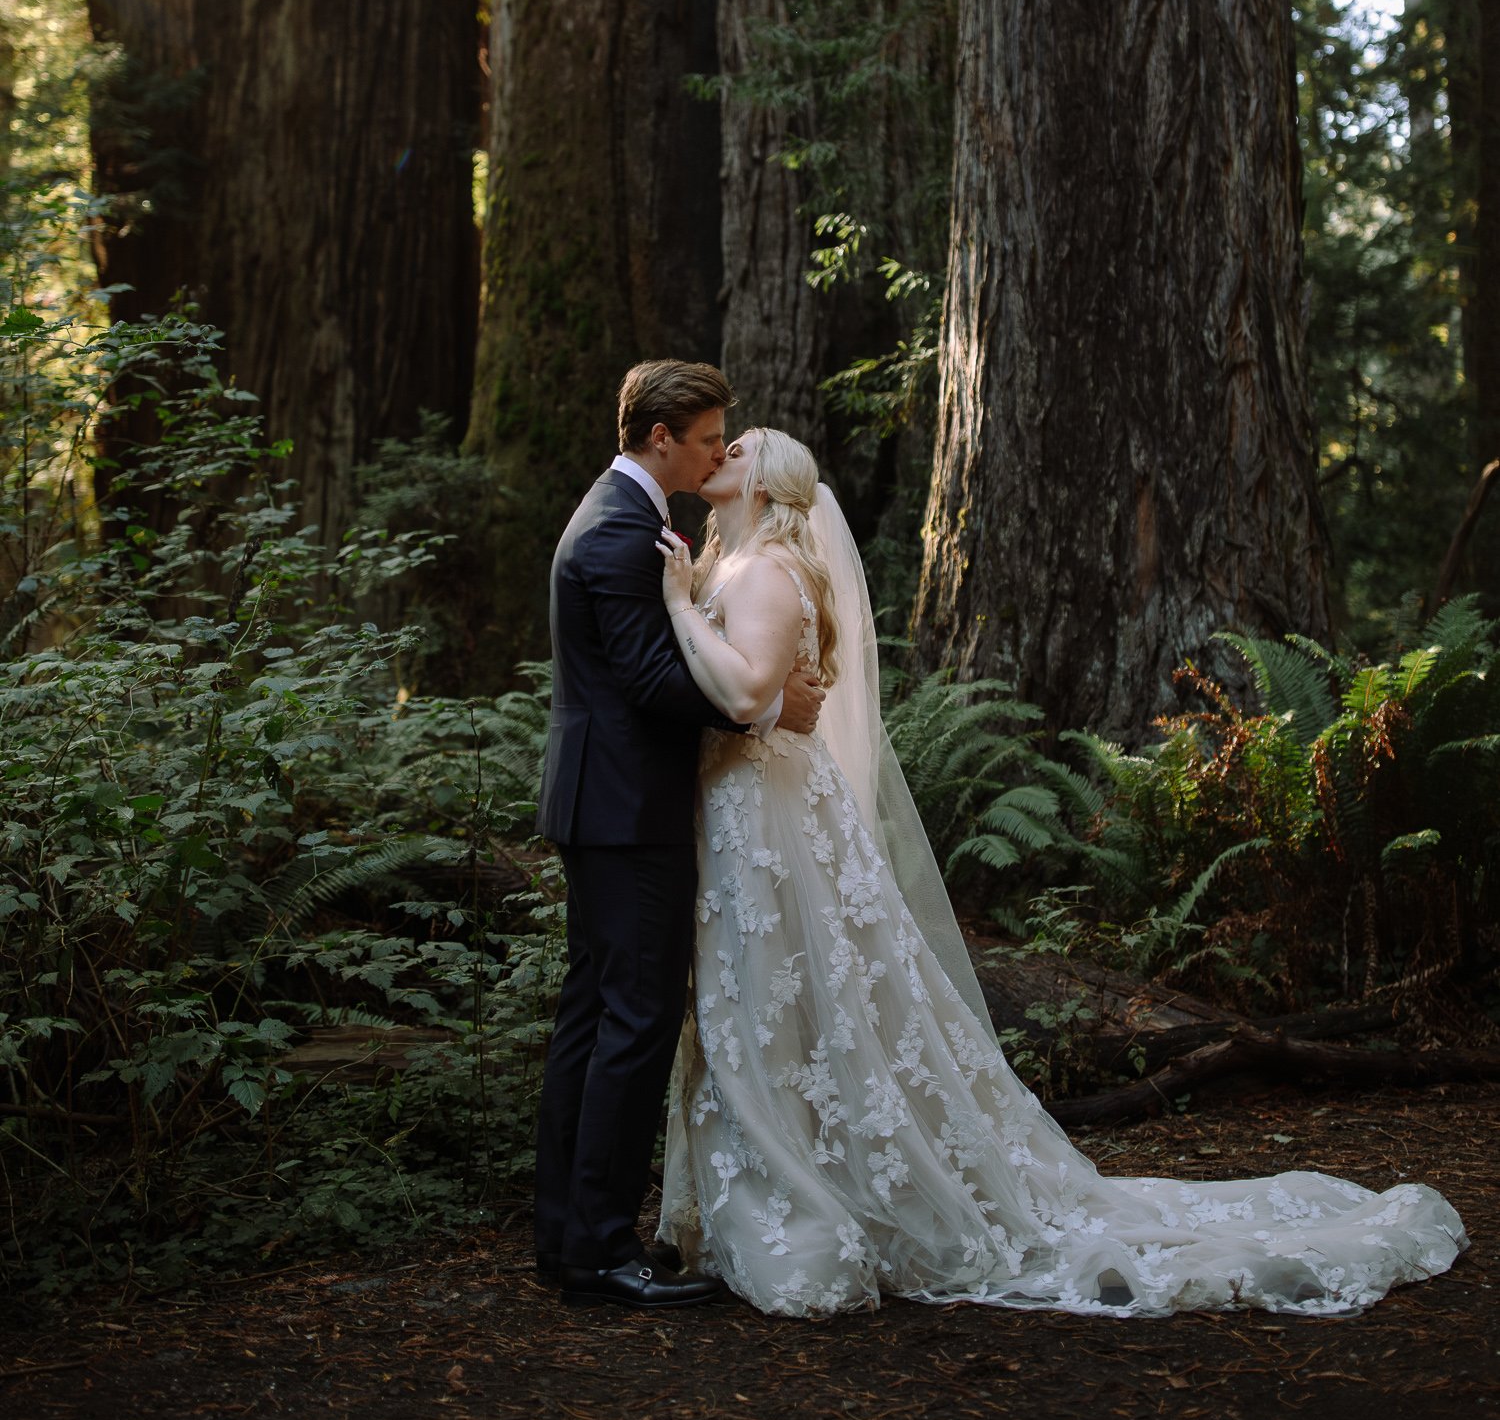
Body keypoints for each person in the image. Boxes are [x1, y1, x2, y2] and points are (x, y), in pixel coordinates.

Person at [652, 426, 1468, 1318]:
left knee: (780, 991)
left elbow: (746, 693)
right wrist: (691, 599)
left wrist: (684, 609)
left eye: (740, 446)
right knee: (765, 996)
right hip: (742, 808)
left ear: (766, 482)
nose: (722, 450)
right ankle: (778, 1175)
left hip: (769, 813)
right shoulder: (726, 565)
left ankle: (808, 1193)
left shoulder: (765, 572)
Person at [532, 363, 826, 1310]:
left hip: (607, 804)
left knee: (595, 1016)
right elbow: (654, 684)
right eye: (706, 439)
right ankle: (599, 1250)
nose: (714, 454)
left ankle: (569, 1237)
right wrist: (772, 707)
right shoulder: (620, 534)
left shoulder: (620, 518)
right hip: (625, 810)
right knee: (635, 1020)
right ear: (661, 437)